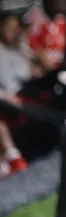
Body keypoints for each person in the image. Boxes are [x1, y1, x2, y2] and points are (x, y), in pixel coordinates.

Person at [0, 15, 31, 177]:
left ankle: (11, 158)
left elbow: (27, 73)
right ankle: (13, 158)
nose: (13, 32)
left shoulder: (19, 48)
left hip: (24, 94)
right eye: (9, 28)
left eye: (15, 28)